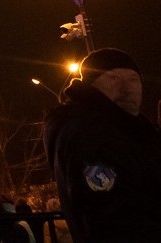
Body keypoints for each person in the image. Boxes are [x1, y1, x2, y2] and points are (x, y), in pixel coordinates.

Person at [43, 47, 161, 242]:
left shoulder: (131, 131)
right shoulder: (88, 134)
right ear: (92, 86)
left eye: (133, 79)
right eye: (113, 78)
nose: (126, 88)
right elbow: (112, 218)